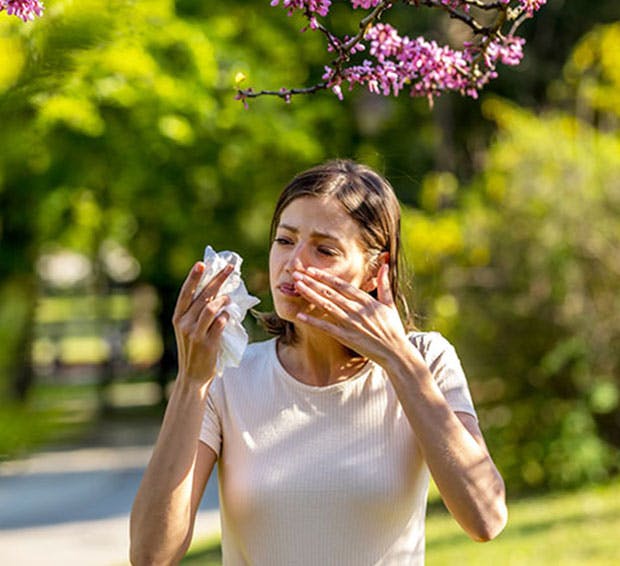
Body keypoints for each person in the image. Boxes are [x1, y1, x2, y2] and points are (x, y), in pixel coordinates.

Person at [130, 159, 507, 565]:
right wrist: (191, 381)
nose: (293, 264)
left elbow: (485, 518)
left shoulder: (427, 361)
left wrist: (398, 359)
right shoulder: (228, 377)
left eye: (324, 249)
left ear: (374, 270)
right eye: (285, 240)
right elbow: (151, 555)